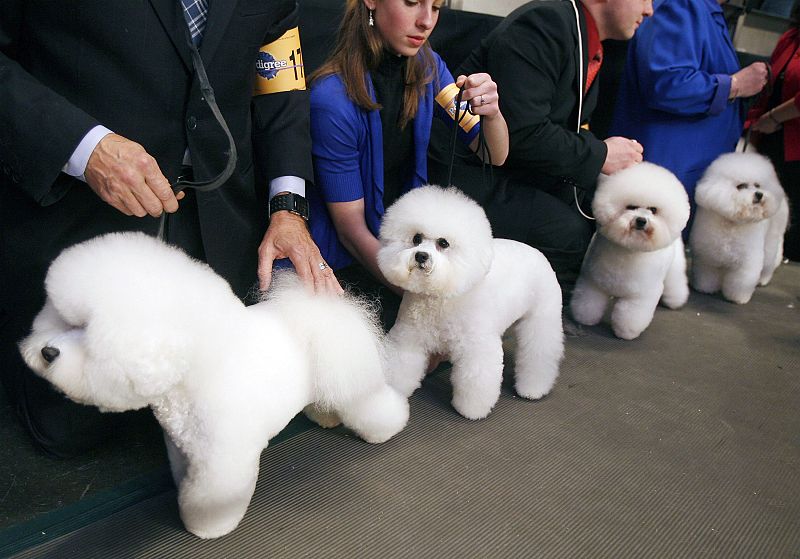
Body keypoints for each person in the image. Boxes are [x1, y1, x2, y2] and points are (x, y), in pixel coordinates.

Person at [0, 0, 338, 457]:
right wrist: (83, 148)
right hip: (77, 223)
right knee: (76, 437)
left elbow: (279, 83)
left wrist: (289, 206)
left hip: (219, 237)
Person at [431, 0, 653, 297]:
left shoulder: (585, 39)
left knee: (594, 208)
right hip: (463, 169)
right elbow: (523, 133)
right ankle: (519, 317)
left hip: (504, 166)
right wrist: (601, 154)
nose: (650, 10)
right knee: (567, 232)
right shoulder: (544, 23)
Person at [306, 0, 509, 326]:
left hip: (407, 247)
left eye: (437, 7)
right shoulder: (332, 101)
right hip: (347, 261)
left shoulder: (427, 65)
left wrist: (493, 112)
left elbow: (492, 154)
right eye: (412, 3)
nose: (426, 21)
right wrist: (419, 296)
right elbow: (350, 231)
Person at [609, 0, 769, 215]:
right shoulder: (681, 4)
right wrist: (735, 86)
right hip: (663, 173)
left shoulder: (704, 9)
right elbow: (666, 84)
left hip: (683, 171)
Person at [747, 2, 800, 260]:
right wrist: (757, 120)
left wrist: (773, 117)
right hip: (774, 140)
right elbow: (772, 84)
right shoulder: (791, 36)